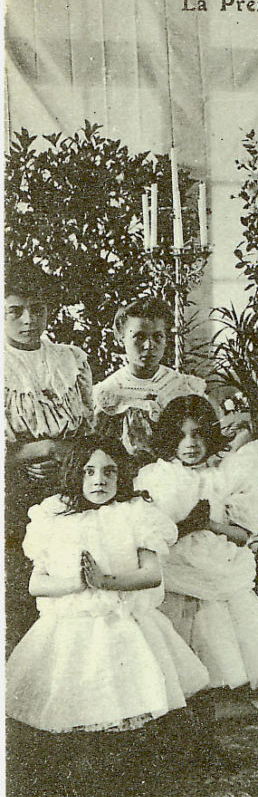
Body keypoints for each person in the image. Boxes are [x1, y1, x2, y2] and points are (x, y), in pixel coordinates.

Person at [6, 434, 210, 735]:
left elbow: (152, 575)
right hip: (70, 628)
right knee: (75, 706)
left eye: (109, 471)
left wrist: (105, 582)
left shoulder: (135, 513)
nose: (99, 480)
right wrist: (76, 582)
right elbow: (37, 584)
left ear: (121, 474)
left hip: (125, 622)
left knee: (134, 703)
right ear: (74, 473)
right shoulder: (53, 516)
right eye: (89, 471)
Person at [135, 395, 258, 754]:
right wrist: (182, 525)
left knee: (213, 660)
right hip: (174, 575)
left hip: (214, 575)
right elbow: (147, 531)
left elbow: (243, 533)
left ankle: (205, 744)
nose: (190, 444)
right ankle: (176, 745)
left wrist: (209, 523)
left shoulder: (223, 477)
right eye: (181, 436)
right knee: (177, 663)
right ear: (168, 438)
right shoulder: (155, 477)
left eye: (197, 434)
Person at [4, 261, 94, 646]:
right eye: (16, 311)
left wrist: (67, 453)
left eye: (37, 309)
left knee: (74, 563)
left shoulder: (69, 359)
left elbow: (89, 427)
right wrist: (37, 450)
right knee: (24, 570)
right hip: (14, 486)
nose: (29, 320)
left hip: (70, 476)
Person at [94, 297, 207, 459]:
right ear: (121, 339)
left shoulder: (184, 386)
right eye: (139, 337)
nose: (149, 346)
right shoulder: (107, 393)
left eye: (157, 337)